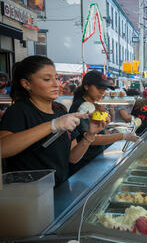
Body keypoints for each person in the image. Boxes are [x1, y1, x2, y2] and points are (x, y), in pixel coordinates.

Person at [0, 56, 106, 187]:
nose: (56, 84)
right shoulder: (19, 111)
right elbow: (3, 148)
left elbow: (72, 157)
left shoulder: (60, 110)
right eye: (47, 79)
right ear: (26, 84)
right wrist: (53, 125)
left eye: (56, 78)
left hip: (60, 188)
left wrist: (90, 135)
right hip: (30, 194)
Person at [69, 70, 140, 175]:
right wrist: (122, 136)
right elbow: (92, 139)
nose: (102, 92)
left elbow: (97, 132)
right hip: (83, 163)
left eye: (104, 89)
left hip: (94, 158)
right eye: (98, 88)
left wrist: (106, 127)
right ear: (86, 86)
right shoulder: (81, 107)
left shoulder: (94, 105)